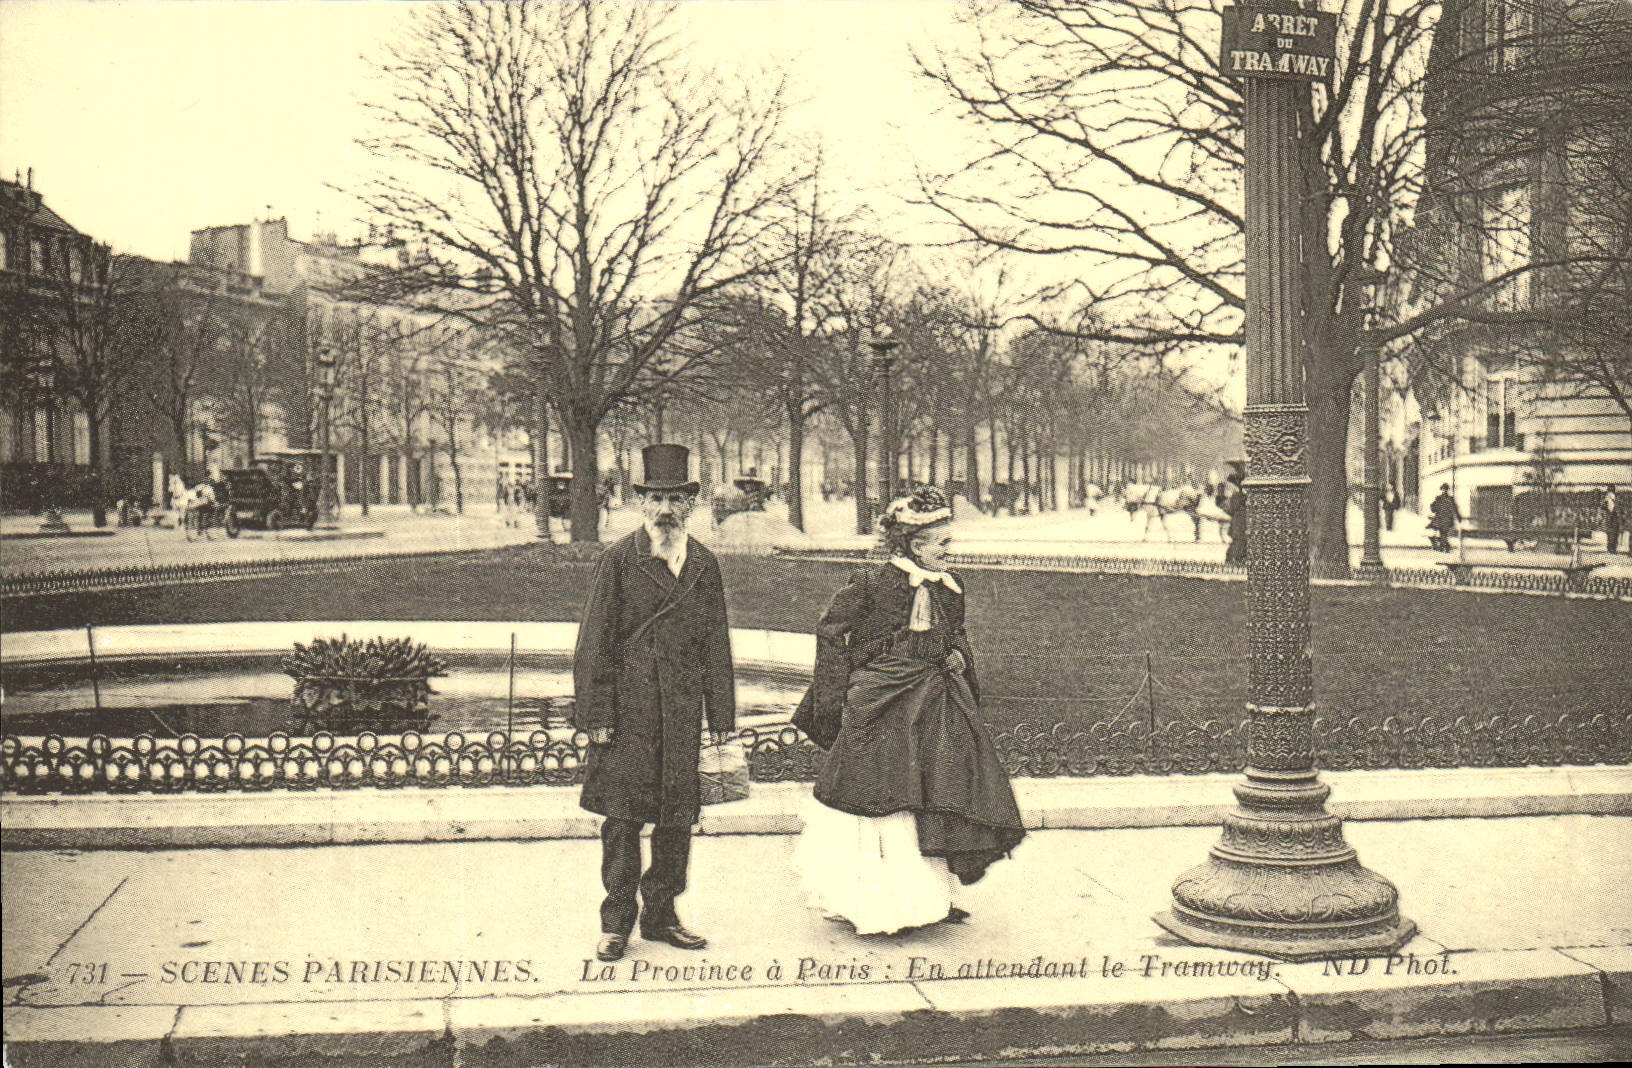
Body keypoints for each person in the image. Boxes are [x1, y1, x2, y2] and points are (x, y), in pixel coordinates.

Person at [791, 485, 1025, 936]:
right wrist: (840, 694)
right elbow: (831, 632)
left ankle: (931, 897)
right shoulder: (872, 583)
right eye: (941, 544)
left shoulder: (951, 588)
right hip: (881, 704)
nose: (949, 551)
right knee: (882, 800)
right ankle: (882, 906)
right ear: (915, 546)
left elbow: (955, 634)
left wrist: (957, 655)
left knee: (939, 791)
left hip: (936, 700)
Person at [572, 443, 736, 964]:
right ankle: (616, 923)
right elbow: (594, 642)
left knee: (676, 817)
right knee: (622, 820)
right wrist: (596, 715)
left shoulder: (703, 564)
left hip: (681, 710)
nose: (665, 510)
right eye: (656, 499)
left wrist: (721, 715)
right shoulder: (620, 560)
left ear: (691, 504)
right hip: (630, 712)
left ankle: (662, 915)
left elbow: (716, 644)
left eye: (675, 500)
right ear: (641, 502)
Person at [1223, 472, 1247, 565]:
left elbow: (1232, 509)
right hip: (1241, 522)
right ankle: (1237, 560)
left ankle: (1233, 561)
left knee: (1238, 542)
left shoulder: (1236, 496)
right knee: (1240, 542)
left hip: (1238, 522)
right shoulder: (1243, 496)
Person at [1429, 483, 1460, 552]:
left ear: (1447, 490)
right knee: (1442, 533)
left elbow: (1454, 508)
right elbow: (1434, 509)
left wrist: (1458, 516)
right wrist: (1432, 506)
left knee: (1444, 533)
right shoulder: (1438, 498)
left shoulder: (1450, 499)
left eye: (1446, 489)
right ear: (1441, 490)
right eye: (1443, 489)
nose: (1444, 491)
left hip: (1447, 519)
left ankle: (1443, 546)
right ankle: (1444, 546)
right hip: (1440, 519)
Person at [1603, 485, 1623, 555]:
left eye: (1612, 489)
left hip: (1615, 518)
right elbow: (1603, 507)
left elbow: (1620, 507)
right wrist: (1607, 502)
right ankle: (1610, 548)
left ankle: (1613, 548)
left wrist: (1614, 501)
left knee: (1614, 533)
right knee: (1610, 533)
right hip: (1609, 517)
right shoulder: (1606, 499)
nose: (1610, 492)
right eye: (1610, 490)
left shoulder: (1617, 498)